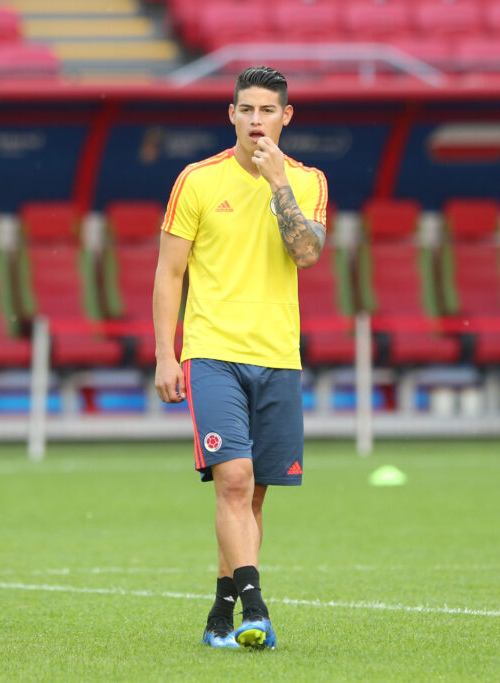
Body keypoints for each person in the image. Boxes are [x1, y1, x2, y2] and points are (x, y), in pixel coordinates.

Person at [152, 66, 328, 650]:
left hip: (278, 356)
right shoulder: (197, 180)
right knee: (233, 479)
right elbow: (169, 272)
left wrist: (278, 183)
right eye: (245, 110)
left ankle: (220, 617)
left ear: (286, 117)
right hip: (212, 354)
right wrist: (165, 354)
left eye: (267, 111)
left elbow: (306, 254)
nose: (256, 121)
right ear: (230, 114)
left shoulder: (308, 182)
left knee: (253, 496)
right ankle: (256, 607)